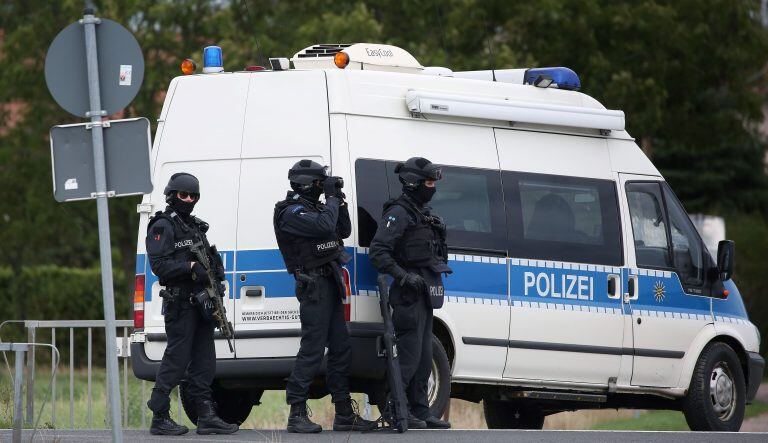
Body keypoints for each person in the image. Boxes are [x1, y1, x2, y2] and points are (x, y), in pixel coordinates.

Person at [273, 160, 377, 433]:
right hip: (313, 286)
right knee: (312, 348)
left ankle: (343, 413)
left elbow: (342, 230)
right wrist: (331, 199)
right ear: (306, 184)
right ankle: (296, 413)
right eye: (321, 182)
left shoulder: (318, 208)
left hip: (329, 282)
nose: (323, 187)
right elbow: (323, 226)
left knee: (341, 347)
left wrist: (338, 200)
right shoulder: (291, 212)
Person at [145, 173, 238, 436]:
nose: (188, 200)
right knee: (177, 359)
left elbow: (209, 260)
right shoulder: (163, 226)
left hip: (201, 304)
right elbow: (159, 266)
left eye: (193, 196)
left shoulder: (194, 226)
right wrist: (189, 267)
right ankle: (160, 414)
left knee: (205, 361)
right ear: (171, 195)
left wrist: (215, 277)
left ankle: (206, 415)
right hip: (180, 304)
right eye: (183, 195)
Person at [369, 157, 452, 429]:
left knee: (424, 357)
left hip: (426, 293)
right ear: (414, 183)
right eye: (429, 182)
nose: (432, 188)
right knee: (408, 356)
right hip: (407, 295)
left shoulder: (423, 214)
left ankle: (421, 410)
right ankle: (395, 409)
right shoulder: (399, 213)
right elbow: (379, 252)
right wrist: (403, 276)